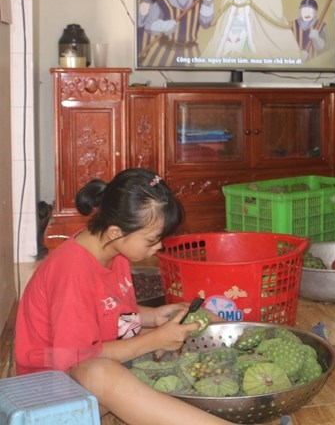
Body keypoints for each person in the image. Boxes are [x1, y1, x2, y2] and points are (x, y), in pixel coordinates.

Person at [15, 168, 232, 425]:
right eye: (152, 241)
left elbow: (109, 311)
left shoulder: (113, 252)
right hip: (49, 392)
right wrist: (153, 340)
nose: (159, 247)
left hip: (89, 367)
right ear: (116, 232)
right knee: (101, 373)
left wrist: (154, 317)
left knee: (173, 352)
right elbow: (77, 355)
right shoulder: (72, 273)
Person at [138, 0, 215, 67]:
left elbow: (206, 24)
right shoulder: (160, 2)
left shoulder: (199, 2)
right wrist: (162, 26)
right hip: (163, 51)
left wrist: (208, 4)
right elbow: (148, 26)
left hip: (191, 53)